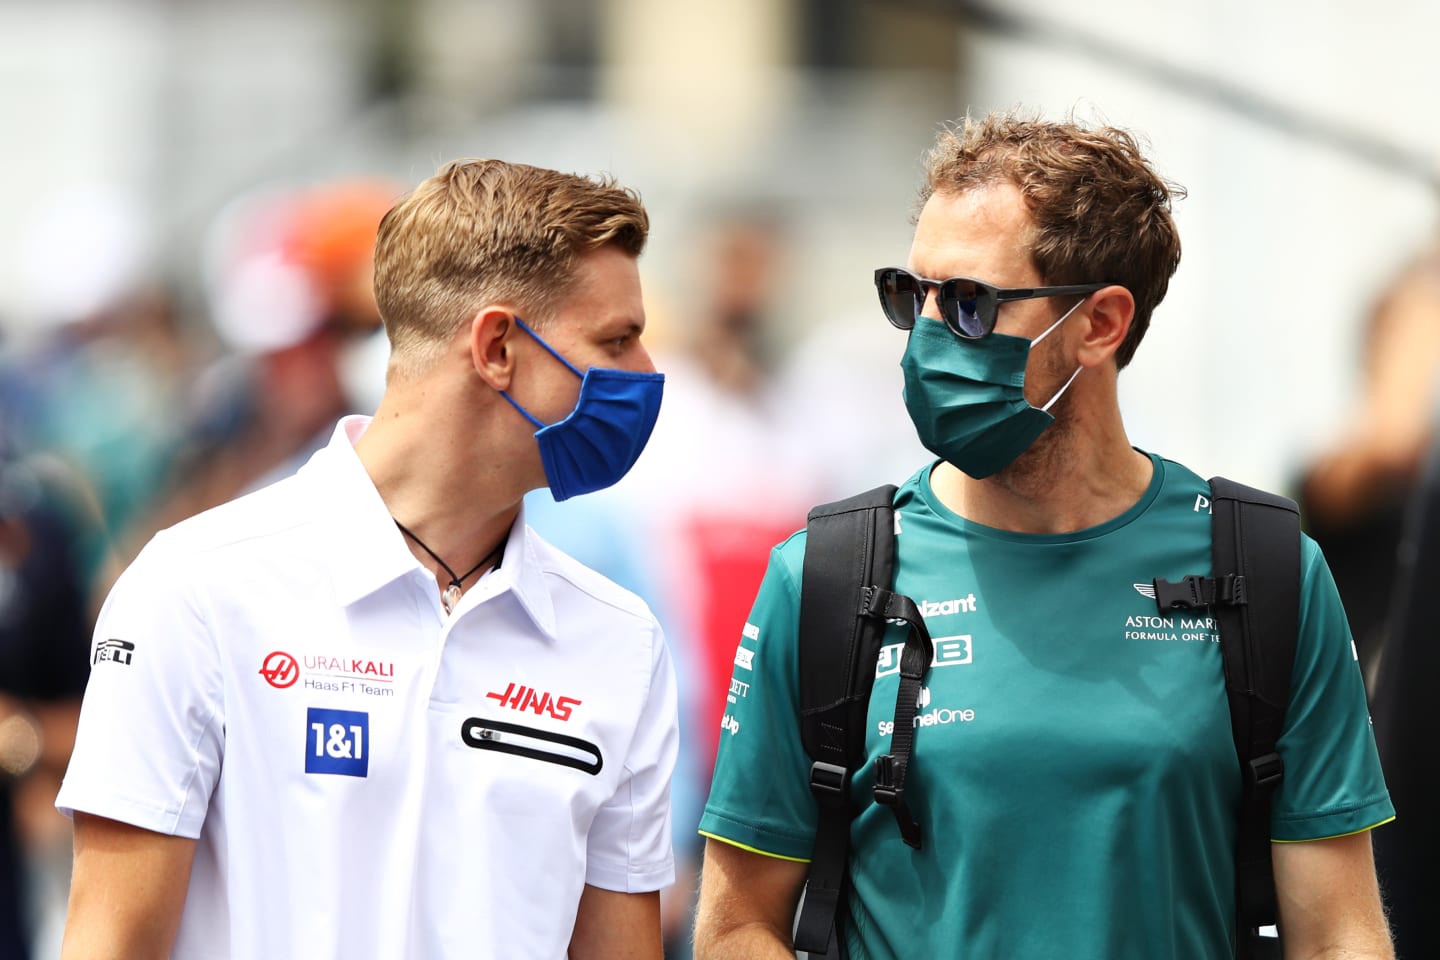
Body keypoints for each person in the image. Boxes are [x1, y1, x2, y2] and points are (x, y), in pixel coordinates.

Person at [692, 113, 1395, 959]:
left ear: (1099, 324)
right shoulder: (828, 577)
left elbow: (1337, 934)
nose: (925, 339)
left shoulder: (1267, 570)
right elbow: (737, 928)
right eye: (908, 297)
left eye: (968, 304)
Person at [54, 159, 680, 959]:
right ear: (496, 347)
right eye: (618, 340)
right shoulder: (196, 591)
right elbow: (110, 942)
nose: (647, 375)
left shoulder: (620, 640)